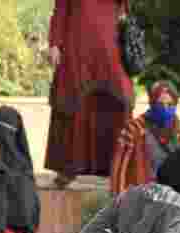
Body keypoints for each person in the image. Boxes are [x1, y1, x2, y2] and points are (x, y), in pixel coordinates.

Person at [45, 0, 135, 186]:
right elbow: (60, 9)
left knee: (120, 101)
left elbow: (124, 11)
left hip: (110, 48)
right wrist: (54, 43)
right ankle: (67, 169)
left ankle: (118, 168)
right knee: (71, 102)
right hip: (76, 48)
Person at [109, 81, 180, 197]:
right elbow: (119, 166)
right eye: (160, 104)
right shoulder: (134, 129)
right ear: (151, 103)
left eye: (170, 105)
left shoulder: (177, 133)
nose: (165, 108)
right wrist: (119, 197)